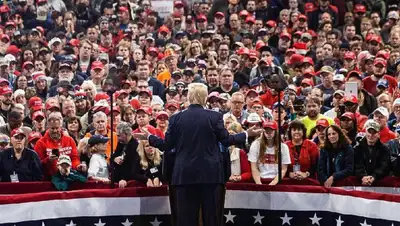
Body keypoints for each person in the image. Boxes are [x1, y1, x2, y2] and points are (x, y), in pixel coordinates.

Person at [136, 83, 261, 226]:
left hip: (184, 176)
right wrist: (246, 133)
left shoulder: (176, 118)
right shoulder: (215, 117)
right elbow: (227, 140)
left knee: (186, 220)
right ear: (205, 98)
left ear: (189, 96)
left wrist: (150, 137)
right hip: (211, 176)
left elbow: (167, 145)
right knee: (212, 219)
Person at [248, 120, 291, 185]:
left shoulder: (283, 147)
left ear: (275, 131)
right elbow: (254, 167)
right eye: (266, 130)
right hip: (260, 179)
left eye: (271, 130)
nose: (268, 132)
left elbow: (283, 169)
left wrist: (273, 183)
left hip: (276, 180)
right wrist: (259, 184)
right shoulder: (255, 145)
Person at [354, 119, 390, 185]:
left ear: (378, 134)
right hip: (360, 181)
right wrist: (363, 176)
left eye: (374, 133)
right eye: (369, 132)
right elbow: (357, 165)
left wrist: (374, 177)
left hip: (378, 181)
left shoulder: (384, 149)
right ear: (365, 132)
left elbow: (384, 166)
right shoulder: (357, 148)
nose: (371, 135)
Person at [111, 122, 139, 188]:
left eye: (119, 135)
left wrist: (124, 179)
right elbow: (113, 157)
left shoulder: (135, 146)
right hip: (117, 179)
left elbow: (133, 166)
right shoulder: (121, 143)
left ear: (126, 134)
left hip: (128, 182)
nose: (117, 138)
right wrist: (115, 159)